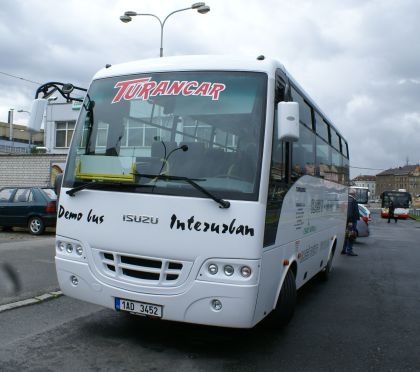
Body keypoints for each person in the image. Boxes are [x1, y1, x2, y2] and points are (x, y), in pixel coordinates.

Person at [342, 189, 360, 256]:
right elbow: (350, 212)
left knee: (346, 235)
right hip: (351, 221)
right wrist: (350, 221)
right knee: (351, 236)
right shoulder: (352, 200)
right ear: (354, 194)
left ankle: (343, 249)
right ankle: (349, 250)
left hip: (347, 220)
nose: (356, 194)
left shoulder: (346, 199)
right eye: (356, 193)